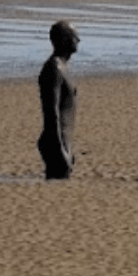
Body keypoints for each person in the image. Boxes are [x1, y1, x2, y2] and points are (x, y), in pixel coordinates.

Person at [37, 21, 80, 180]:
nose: (78, 41)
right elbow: (51, 112)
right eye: (74, 37)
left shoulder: (63, 67)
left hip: (63, 141)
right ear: (63, 39)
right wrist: (59, 149)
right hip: (55, 141)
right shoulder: (53, 69)